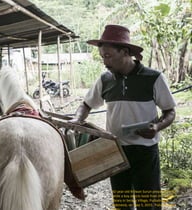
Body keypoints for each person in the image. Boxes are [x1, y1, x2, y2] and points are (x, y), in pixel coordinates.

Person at [70, 25, 176, 210]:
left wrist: (157, 127)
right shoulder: (105, 79)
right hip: (116, 150)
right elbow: (86, 105)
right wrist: (77, 120)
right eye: (102, 57)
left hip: (145, 151)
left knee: (148, 203)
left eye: (108, 56)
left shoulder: (154, 78)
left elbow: (170, 111)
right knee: (122, 203)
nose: (104, 62)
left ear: (125, 52)